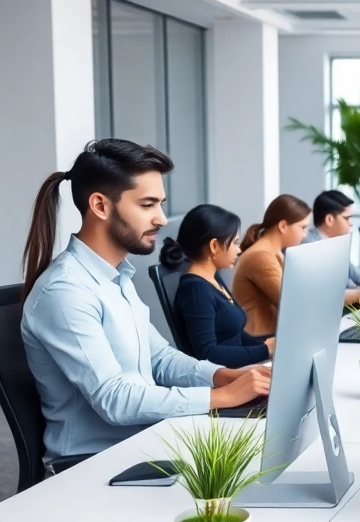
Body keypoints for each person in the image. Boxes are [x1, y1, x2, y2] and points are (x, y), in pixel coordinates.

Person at [20, 139, 271, 463]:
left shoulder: (118, 277)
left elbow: (161, 359)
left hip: (146, 438)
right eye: (147, 205)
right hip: (96, 462)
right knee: (255, 461)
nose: (162, 219)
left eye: (160, 204)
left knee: (269, 443)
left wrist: (224, 376)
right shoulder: (65, 291)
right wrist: (219, 396)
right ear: (100, 206)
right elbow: (114, 399)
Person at [159, 204, 272, 368]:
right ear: (214, 246)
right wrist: (265, 350)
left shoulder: (212, 278)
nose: (239, 250)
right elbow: (208, 354)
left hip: (240, 370)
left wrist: (267, 345)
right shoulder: (195, 291)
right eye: (235, 242)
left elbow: (236, 335)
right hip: (228, 381)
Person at [232, 194, 312, 337]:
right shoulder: (260, 256)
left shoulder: (274, 252)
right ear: (282, 226)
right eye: (302, 227)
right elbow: (293, 302)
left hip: (271, 336)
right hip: (260, 341)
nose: (305, 234)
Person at [304, 190, 360, 306]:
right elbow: (327, 293)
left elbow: (356, 276)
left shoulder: (336, 243)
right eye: (347, 218)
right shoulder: (309, 247)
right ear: (329, 220)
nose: (350, 223)